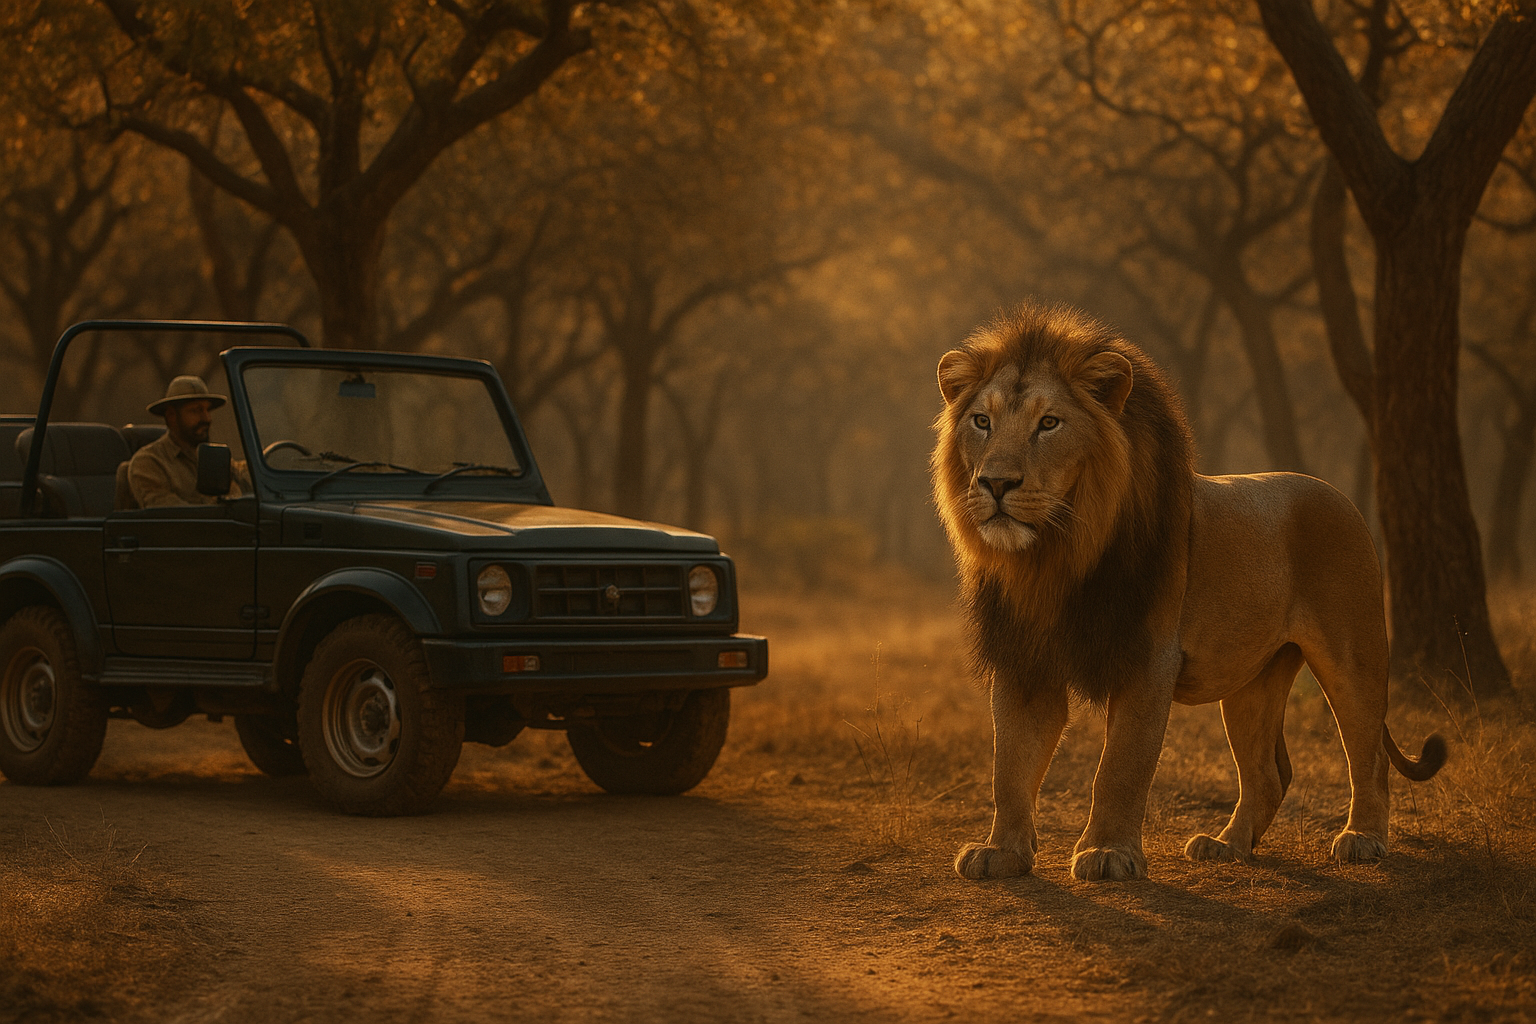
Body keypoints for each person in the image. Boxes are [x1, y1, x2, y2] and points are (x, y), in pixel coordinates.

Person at [128, 375, 252, 508]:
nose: (207, 418)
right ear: (171, 415)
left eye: (207, 410)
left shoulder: (212, 458)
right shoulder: (149, 462)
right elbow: (171, 513)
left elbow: (246, 477)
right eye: (196, 410)